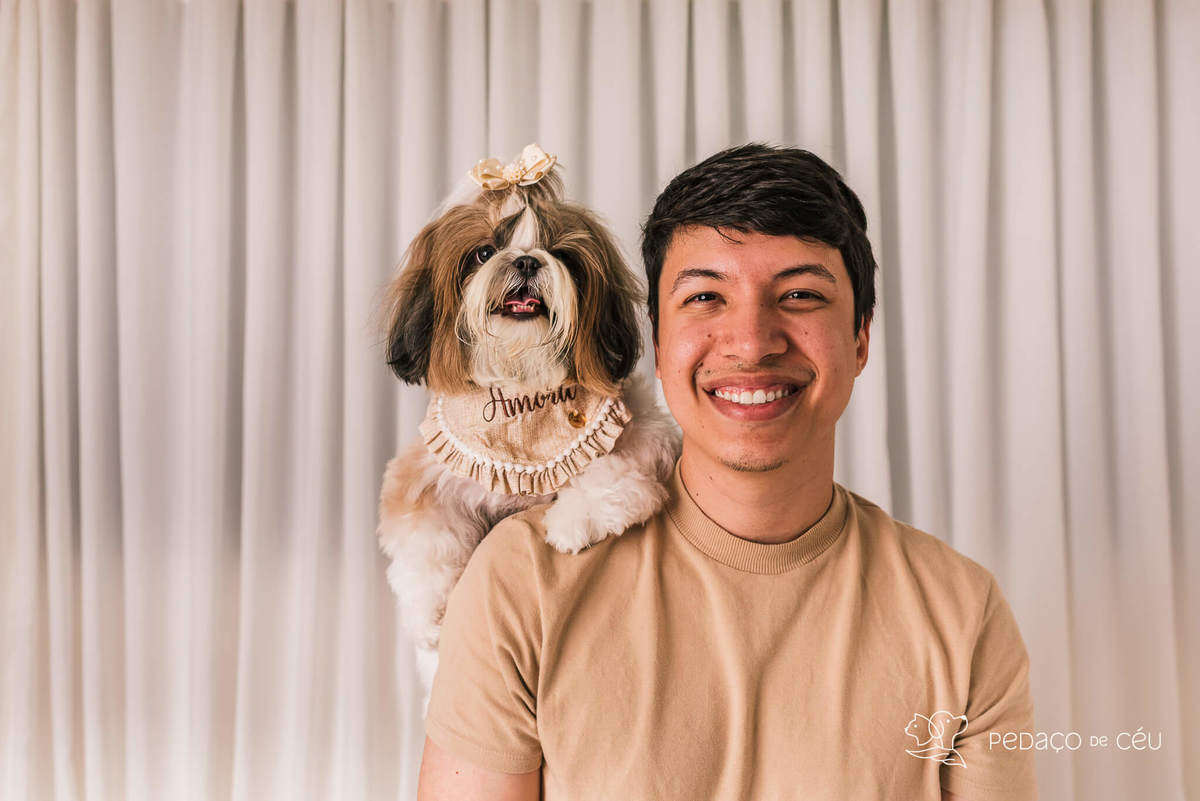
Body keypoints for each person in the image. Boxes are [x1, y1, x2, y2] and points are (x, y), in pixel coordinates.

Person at [416, 143, 1038, 801]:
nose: (751, 340)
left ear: (860, 337)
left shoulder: (963, 614)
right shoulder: (520, 583)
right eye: (707, 296)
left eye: (799, 294)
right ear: (659, 344)